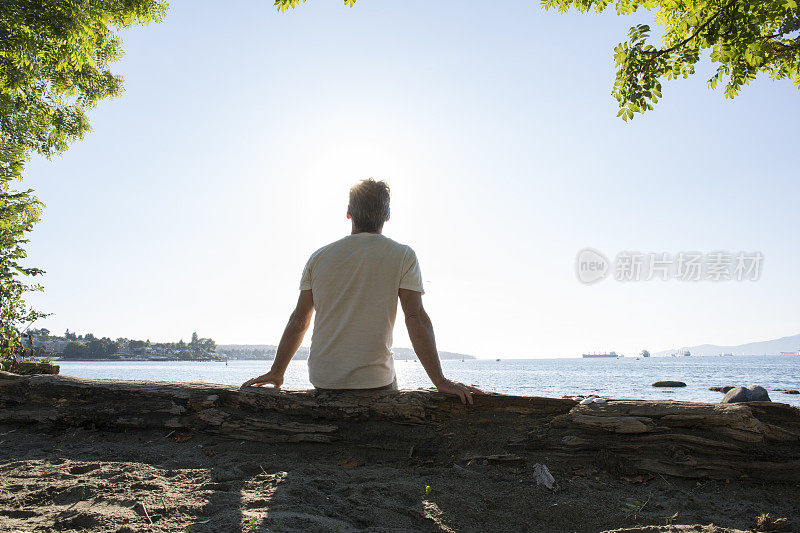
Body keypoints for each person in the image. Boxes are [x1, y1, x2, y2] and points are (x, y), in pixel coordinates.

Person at [241, 179, 482, 404]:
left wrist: (277, 372)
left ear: (349, 212)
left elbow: (299, 320)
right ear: (387, 216)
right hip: (375, 382)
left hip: (325, 380)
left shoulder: (319, 257)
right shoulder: (403, 255)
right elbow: (415, 319)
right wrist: (439, 381)